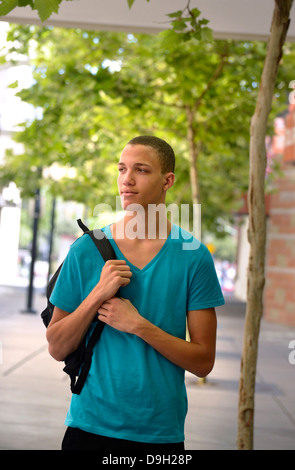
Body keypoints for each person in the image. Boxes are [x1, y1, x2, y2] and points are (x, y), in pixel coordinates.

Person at [47, 135, 225, 451]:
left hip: (160, 434)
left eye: (141, 170)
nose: (127, 180)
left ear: (167, 180)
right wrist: (97, 294)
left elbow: (202, 362)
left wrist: (137, 325)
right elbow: (57, 346)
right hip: (89, 426)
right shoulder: (86, 250)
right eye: (122, 169)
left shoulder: (193, 256)